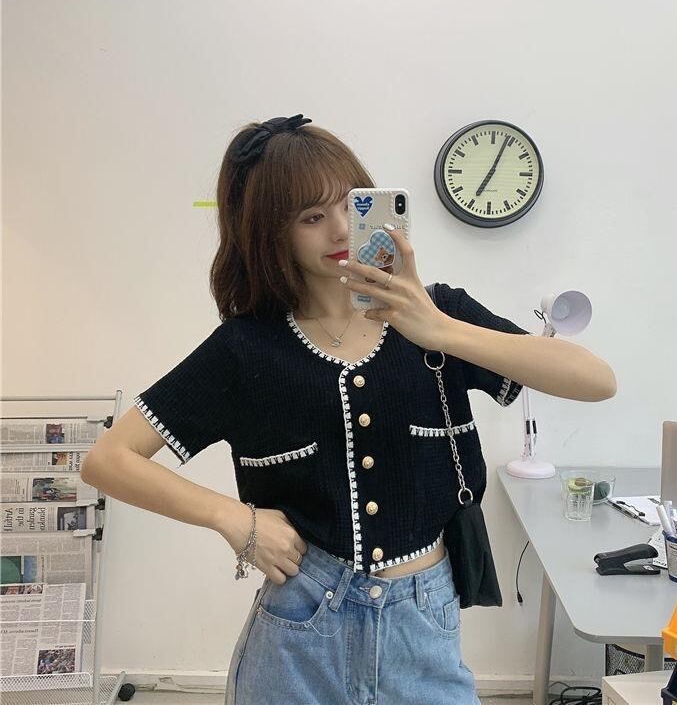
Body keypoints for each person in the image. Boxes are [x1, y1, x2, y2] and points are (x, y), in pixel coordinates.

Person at [80, 115, 616, 704]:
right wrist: (232, 519)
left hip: (422, 622)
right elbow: (108, 460)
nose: (339, 229)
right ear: (272, 233)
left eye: (350, 204)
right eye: (311, 217)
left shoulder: (439, 313)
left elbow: (596, 380)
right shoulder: (246, 349)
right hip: (300, 628)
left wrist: (440, 329)